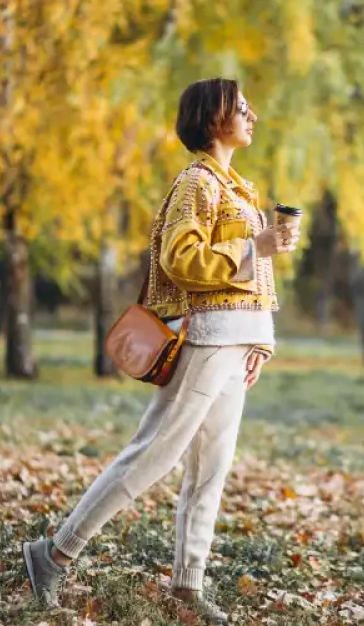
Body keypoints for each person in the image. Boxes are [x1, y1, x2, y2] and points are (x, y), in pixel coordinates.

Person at [21, 78, 299, 624]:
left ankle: (187, 585)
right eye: (242, 108)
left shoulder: (237, 187)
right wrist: (255, 246)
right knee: (154, 454)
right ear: (214, 118)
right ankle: (53, 554)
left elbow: (250, 278)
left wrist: (261, 342)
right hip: (209, 338)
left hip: (236, 340)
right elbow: (181, 259)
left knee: (210, 467)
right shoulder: (197, 183)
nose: (253, 115)